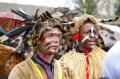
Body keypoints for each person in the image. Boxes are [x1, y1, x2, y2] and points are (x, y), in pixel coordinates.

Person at [8, 14, 77, 79]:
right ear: (37, 39)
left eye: (58, 36)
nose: (56, 40)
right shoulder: (21, 70)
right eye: (51, 35)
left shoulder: (66, 69)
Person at [60, 14, 106, 79]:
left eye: (95, 32)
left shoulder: (105, 57)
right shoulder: (66, 61)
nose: (92, 35)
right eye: (88, 32)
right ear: (77, 35)